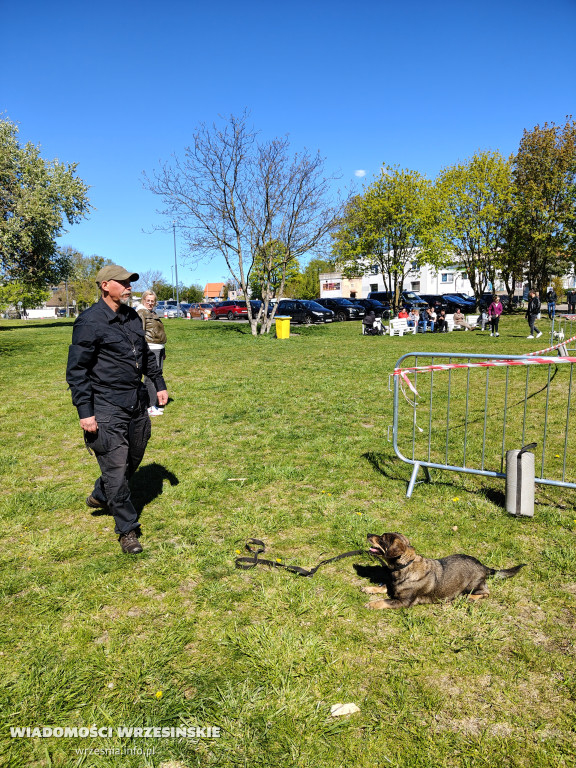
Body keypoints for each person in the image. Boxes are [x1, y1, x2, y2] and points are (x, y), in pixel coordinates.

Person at [66, 264, 168, 554]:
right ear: (105, 285)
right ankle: (127, 530)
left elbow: (146, 355)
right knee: (114, 468)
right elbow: (77, 371)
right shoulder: (89, 321)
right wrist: (85, 411)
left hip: (135, 401)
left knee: (133, 456)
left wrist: (158, 383)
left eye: (130, 282)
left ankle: (101, 493)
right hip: (106, 405)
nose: (128, 286)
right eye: (122, 282)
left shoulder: (132, 316)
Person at [136, 290, 167, 417]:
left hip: (158, 348)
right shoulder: (141, 313)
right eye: (148, 300)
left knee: (157, 376)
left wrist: (163, 349)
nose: (150, 303)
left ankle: (154, 403)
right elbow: (140, 332)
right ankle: (149, 406)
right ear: (143, 300)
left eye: (152, 301)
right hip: (150, 348)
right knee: (151, 377)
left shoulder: (152, 313)